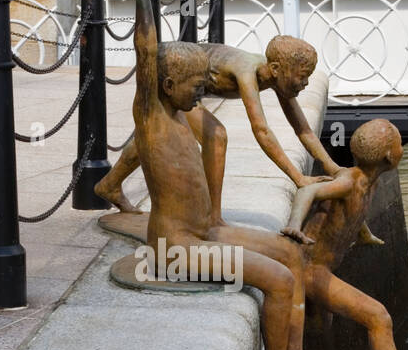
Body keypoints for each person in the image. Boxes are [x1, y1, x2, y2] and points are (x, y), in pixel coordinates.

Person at [114, 0, 333, 350]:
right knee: (276, 278)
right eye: (195, 86)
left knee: (288, 254)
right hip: (175, 250)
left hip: (203, 232)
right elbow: (146, 51)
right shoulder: (152, 115)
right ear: (167, 85)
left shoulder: (175, 114)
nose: (202, 94)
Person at [94, 34, 336, 217]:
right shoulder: (247, 71)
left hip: (191, 82)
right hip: (177, 77)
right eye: (302, 76)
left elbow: (303, 129)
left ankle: (110, 184)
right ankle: (213, 217)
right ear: (275, 69)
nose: (305, 83)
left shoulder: (276, 76)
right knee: (215, 136)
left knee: (146, 137)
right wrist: (298, 177)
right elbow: (261, 130)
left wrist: (332, 167)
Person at [281, 117, 408, 350]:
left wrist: (363, 232)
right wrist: (294, 226)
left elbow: (350, 214)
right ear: (390, 157)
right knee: (379, 317)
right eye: (400, 145)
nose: (403, 149)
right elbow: (308, 192)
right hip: (310, 270)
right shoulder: (349, 181)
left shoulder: (369, 183)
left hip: (321, 270)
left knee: (321, 329)